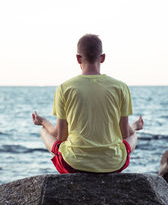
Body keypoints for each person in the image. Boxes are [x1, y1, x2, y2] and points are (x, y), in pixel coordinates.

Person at [32, 34, 143, 173]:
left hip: (73, 165)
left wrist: (43, 122)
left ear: (78, 58)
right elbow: (124, 133)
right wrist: (135, 126)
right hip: (112, 164)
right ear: (102, 58)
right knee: (134, 135)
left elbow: (60, 136)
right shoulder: (120, 87)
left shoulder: (64, 88)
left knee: (44, 131)